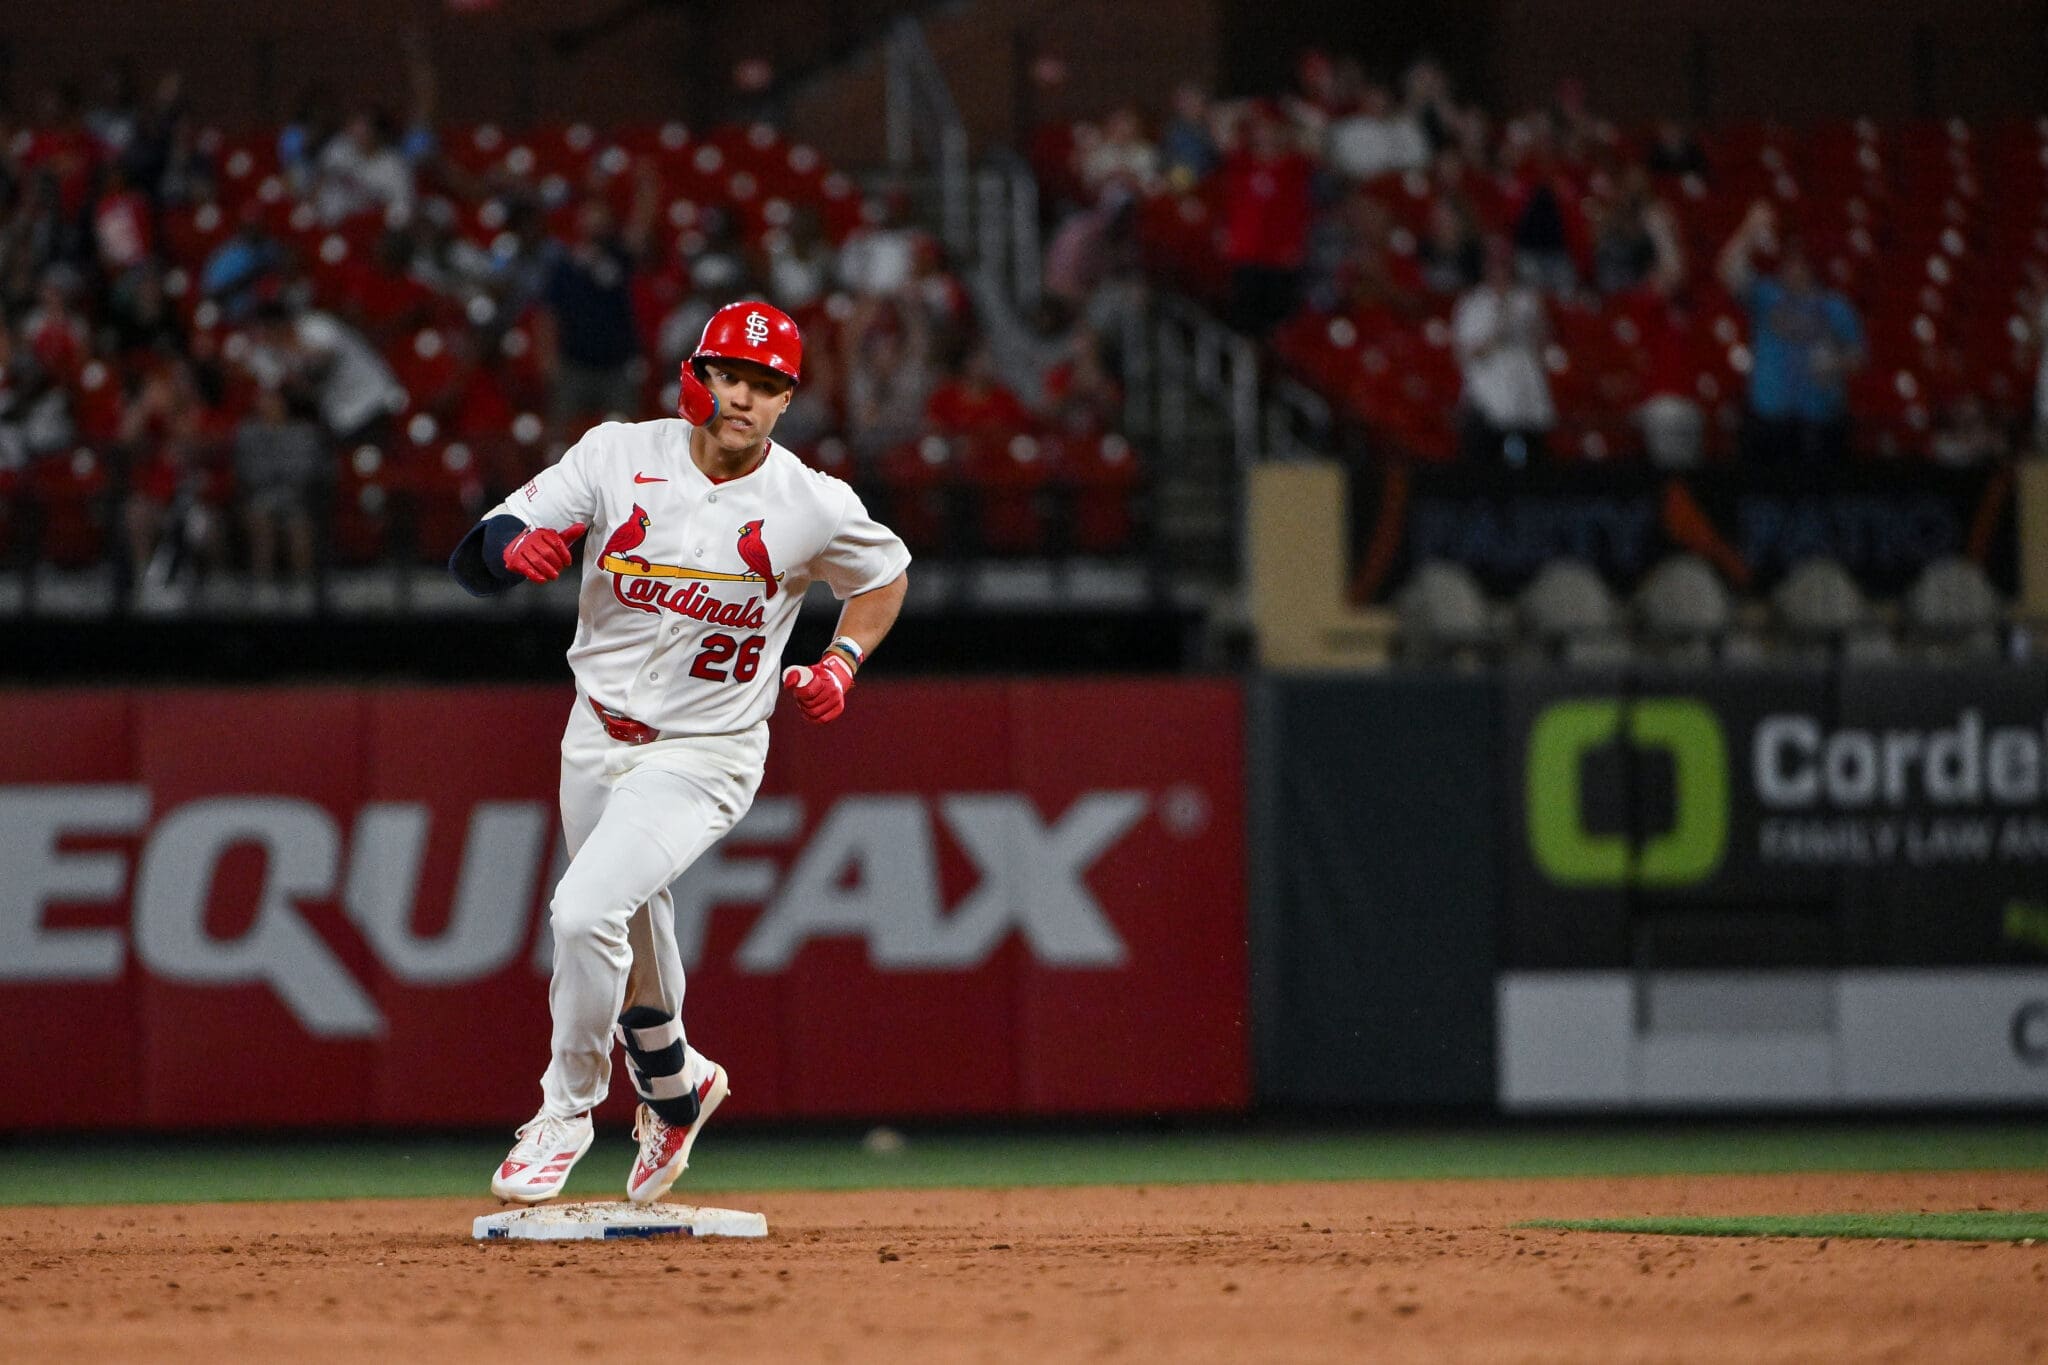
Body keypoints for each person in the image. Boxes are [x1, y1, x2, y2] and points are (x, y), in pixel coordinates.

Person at [447, 301, 910, 1206]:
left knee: (585, 913)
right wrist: (518, 550)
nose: (743, 396)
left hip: (708, 749)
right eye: (731, 374)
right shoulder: (618, 454)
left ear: (787, 402)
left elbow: (886, 574)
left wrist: (844, 662)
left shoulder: (811, 502)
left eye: (766, 384)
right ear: (697, 374)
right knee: (632, 930)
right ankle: (674, 1084)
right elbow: (480, 548)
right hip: (597, 732)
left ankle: (564, 1113)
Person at [1717, 200, 1864, 465]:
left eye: (1800, 262)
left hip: (1820, 422)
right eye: (1789, 262)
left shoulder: (1836, 307)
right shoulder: (1767, 296)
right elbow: (1728, 272)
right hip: (1769, 424)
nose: (1793, 269)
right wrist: (1749, 230)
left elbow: (1858, 356)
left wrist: (1836, 363)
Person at [1451, 236, 1555, 463]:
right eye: (1494, 263)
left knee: (1529, 456)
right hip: (1487, 388)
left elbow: (1543, 344)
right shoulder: (1473, 303)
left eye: (1504, 263)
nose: (1499, 270)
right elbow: (1466, 354)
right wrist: (1499, 328)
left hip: (1525, 388)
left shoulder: (1526, 300)